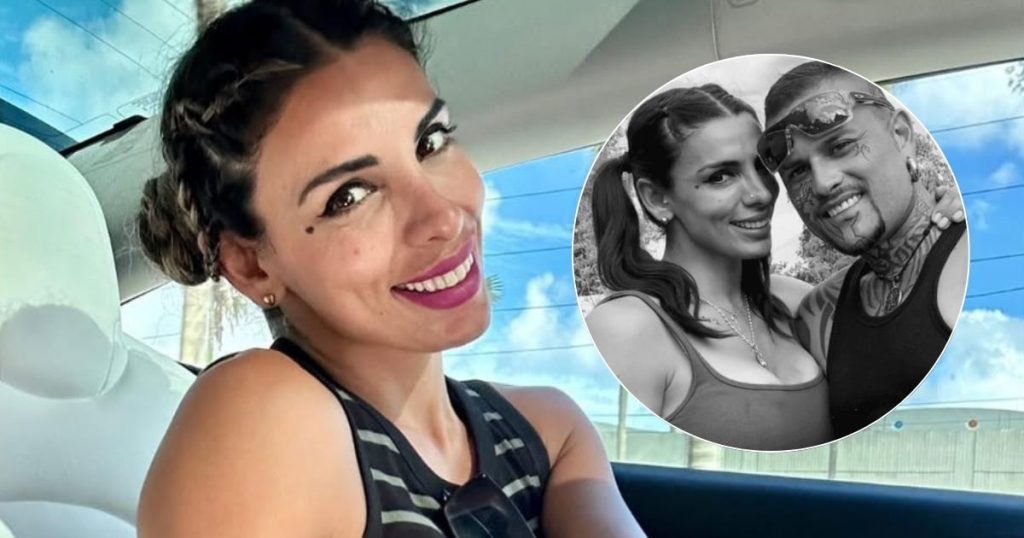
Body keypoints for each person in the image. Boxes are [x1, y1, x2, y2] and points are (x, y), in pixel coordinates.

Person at [135, 1, 644, 536]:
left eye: (430, 143)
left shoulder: (550, 433)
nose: (444, 217)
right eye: (349, 196)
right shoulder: (262, 413)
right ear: (251, 265)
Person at [585, 84, 833, 451]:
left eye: (762, 166)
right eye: (720, 176)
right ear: (657, 198)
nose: (761, 193)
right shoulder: (627, 328)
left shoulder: (797, 300)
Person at [760, 61, 969, 439]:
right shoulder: (818, 317)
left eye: (841, 146)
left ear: (901, 136)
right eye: (798, 171)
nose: (822, 183)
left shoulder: (970, 255)